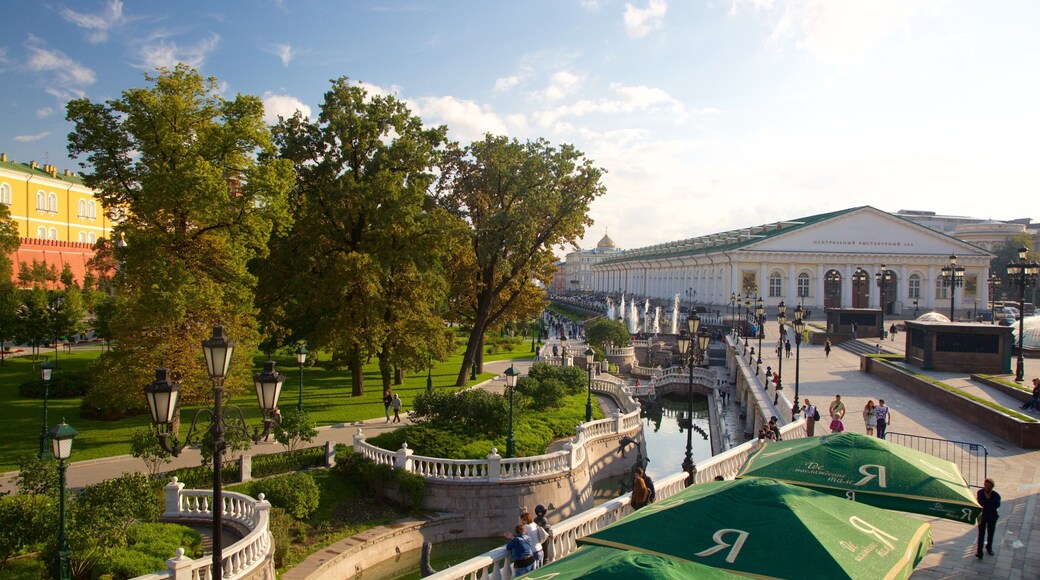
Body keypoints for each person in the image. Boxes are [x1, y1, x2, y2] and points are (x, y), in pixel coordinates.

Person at [976, 478, 1001, 559]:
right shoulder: (980, 492)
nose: (987, 487)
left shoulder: (996, 495)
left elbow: (996, 505)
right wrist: (988, 505)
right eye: (985, 485)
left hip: (992, 516)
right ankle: (979, 552)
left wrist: (986, 506)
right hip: (982, 516)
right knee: (981, 534)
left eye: (989, 486)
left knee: (990, 533)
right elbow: (980, 502)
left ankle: (989, 547)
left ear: (992, 487)